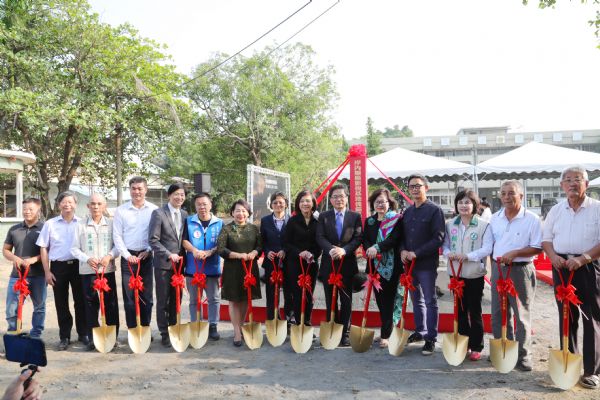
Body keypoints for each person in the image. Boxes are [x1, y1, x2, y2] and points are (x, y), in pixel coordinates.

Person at [541, 166, 600, 389]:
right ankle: (570, 362)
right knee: (566, 316)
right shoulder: (556, 210)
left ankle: (592, 371)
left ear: (587, 183)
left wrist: (583, 258)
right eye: (568, 180)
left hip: (587, 267)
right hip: (561, 267)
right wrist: (553, 256)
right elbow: (546, 239)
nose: (572, 183)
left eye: (578, 179)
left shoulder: (596, 209)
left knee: (591, 317)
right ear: (561, 185)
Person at [490, 180, 542, 371]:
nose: (506, 197)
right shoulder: (495, 218)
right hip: (498, 269)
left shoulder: (532, 219)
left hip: (521, 270)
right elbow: (491, 245)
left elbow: (537, 247)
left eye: (511, 193)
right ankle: (503, 349)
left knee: (521, 315)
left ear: (521, 195)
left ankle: (523, 355)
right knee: (498, 312)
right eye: (503, 193)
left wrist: (516, 253)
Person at [442, 190, 493, 361]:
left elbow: (487, 248)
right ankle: (463, 343)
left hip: (474, 274)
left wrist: (469, 256)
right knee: (459, 310)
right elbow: (445, 245)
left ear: (475, 205)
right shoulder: (450, 224)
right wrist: (448, 253)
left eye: (467, 202)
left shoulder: (484, 225)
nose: (464, 206)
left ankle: (477, 346)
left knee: (474, 310)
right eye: (460, 202)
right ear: (456, 205)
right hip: (455, 273)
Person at [400, 174, 445, 356]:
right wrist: (402, 250)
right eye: (411, 187)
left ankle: (431, 338)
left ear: (426, 188)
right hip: (409, 265)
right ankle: (420, 331)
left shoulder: (435, 211)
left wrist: (417, 253)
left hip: (426, 264)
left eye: (418, 186)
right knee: (415, 300)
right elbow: (401, 236)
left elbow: (438, 238)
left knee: (429, 300)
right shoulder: (408, 212)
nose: (415, 189)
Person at [36, 191, 86, 351]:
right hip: (58, 267)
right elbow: (43, 248)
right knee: (61, 302)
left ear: (75, 205)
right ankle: (64, 336)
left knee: (81, 301)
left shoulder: (83, 223)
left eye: (70, 202)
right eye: (64, 202)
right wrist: (47, 271)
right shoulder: (50, 224)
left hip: (79, 266)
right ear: (59, 205)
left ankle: (83, 333)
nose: (67, 205)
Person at [70, 193, 120, 351]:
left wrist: (109, 256)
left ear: (104, 206)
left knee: (110, 303)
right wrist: (86, 258)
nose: (96, 207)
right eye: (92, 204)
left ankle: (113, 336)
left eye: (99, 204)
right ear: (87, 206)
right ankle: (93, 337)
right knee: (90, 304)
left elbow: (118, 245)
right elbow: (74, 248)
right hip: (88, 270)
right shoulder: (80, 225)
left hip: (107, 270)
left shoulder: (112, 224)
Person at [316, 184, 363, 347]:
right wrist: (331, 250)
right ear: (331, 199)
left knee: (346, 299)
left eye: (341, 196)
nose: (338, 199)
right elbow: (320, 237)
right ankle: (332, 329)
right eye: (335, 196)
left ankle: (345, 333)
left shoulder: (355, 216)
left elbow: (358, 238)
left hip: (347, 263)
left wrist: (344, 250)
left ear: (347, 197)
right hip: (329, 264)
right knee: (330, 299)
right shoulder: (324, 216)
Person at [113, 177, 158, 341]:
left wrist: (148, 250)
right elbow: (117, 236)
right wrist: (127, 255)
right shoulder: (121, 211)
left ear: (146, 190)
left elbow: (156, 235)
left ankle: (145, 328)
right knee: (130, 297)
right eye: (133, 188)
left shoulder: (154, 210)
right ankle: (133, 329)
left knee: (147, 296)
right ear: (129, 190)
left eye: (140, 188)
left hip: (146, 256)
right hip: (128, 257)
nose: (137, 191)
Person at [148, 182, 188, 348]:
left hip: (180, 265)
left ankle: (174, 327)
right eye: (176, 194)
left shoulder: (185, 214)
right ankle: (164, 333)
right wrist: (168, 254)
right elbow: (153, 240)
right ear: (169, 196)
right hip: (164, 264)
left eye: (182, 195)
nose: (179, 197)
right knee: (164, 299)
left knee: (177, 298)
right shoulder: (158, 213)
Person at [217, 199, 262, 347]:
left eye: (243, 210)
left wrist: (255, 252)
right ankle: (236, 331)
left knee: (245, 299)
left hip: (250, 268)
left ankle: (241, 325)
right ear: (232, 212)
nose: (240, 213)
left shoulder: (254, 229)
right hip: (232, 269)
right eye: (237, 210)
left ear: (248, 213)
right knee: (234, 300)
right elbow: (221, 249)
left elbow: (260, 246)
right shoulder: (226, 229)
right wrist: (238, 255)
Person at [363, 188, 403, 348]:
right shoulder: (370, 221)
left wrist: (377, 248)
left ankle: (386, 335)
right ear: (373, 203)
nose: (380, 204)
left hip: (391, 266)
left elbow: (394, 239)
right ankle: (387, 331)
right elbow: (365, 240)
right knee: (380, 301)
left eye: (383, 201)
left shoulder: (396, 220)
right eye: (377, 201)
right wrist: (369, 249)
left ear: (389, 203)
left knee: (389, 300)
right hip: (374, 267)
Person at [182, 192, 223, 340]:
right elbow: (184, 241)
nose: (202, 207)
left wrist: (210, 251)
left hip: (212, 268)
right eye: (199, 204)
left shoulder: (219, 223)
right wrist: (194, 251)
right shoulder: (189, 221)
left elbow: (222, 244)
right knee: (194, 300)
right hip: (193, 269)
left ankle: (213, 325)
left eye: (205, 204)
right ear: (195, 206)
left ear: (210, 205)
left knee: (213, 298)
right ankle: (195, 323)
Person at [3, 198, 45, 338]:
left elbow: (49, 251)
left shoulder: (44, 228)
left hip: (38, 275)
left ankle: (36, 335)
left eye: (31, 209)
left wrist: (34, 259)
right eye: (25, 209)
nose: (27, 212)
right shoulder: (14, 229)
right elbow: (6, 250)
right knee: (11, 308)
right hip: (17, 275)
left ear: (38, 210)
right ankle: (14, 333)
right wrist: (16, 259)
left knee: (39, 307)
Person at [283, 190, 321, 331]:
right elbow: (286, 243)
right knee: (298, 295)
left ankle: (308, 324)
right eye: (302, 201)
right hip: (295, 263)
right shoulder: (292, 221)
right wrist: (300, 253)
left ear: (313, 203)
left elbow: (320, 242)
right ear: (298, 204)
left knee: (309, 295)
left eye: (308, 201)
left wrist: (313, 255)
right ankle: (299, 324)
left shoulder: (318, 221)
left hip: (311, 263)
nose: (305, 203)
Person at [260, 191, 291, 325]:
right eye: (275, 202)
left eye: (281, 202)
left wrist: (285, 250)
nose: (278, 205)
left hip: (289, 263)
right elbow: (263, 241)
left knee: (289, 293)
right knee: (272, 293)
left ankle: (290, 321)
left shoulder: (292, 220)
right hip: (271, 263)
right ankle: (273, 321)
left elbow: (294, 241)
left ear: (286, 205)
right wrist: (267, 252)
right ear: (271, 205)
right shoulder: (265, 220)